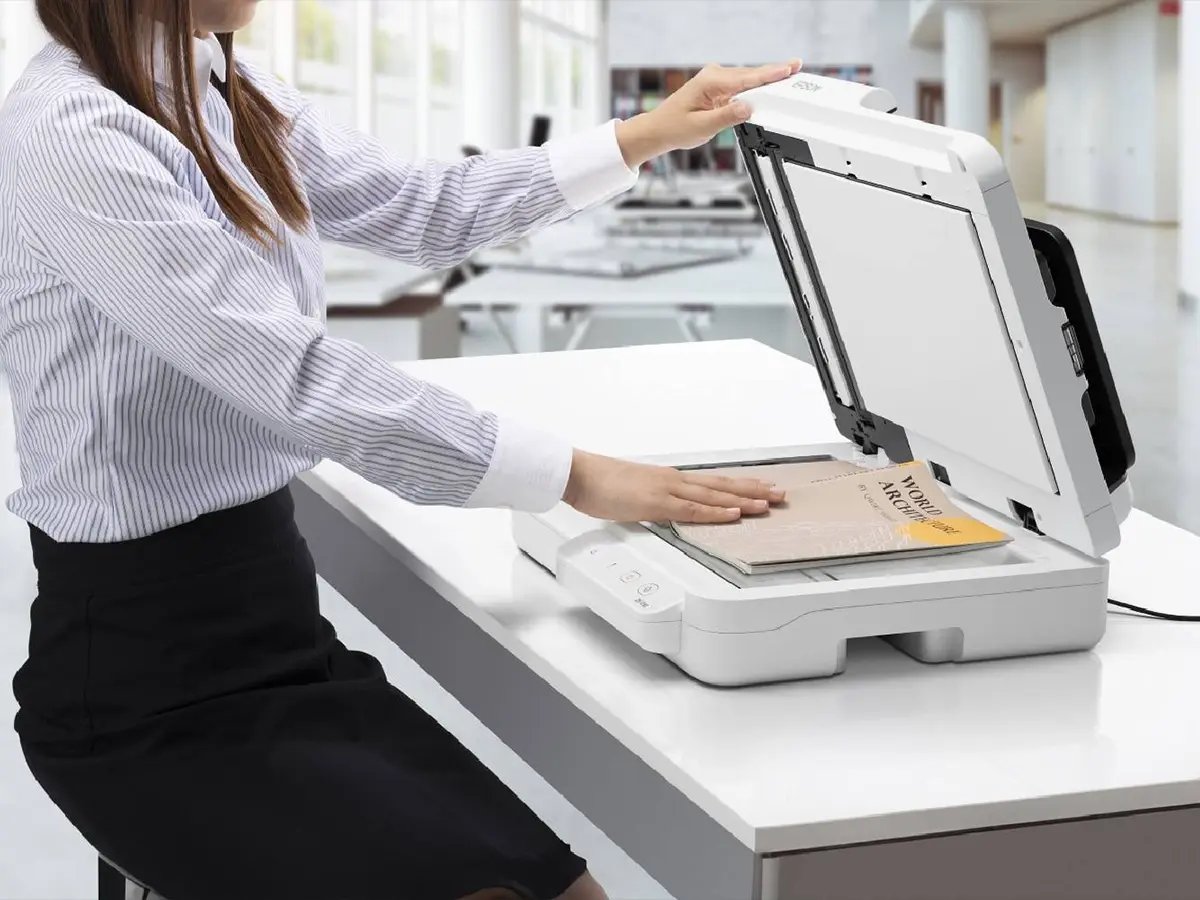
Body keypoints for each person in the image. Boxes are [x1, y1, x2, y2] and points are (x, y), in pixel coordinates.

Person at [0, 1, 800, 897]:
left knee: (564, 891)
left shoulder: (221, 83)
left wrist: (642, 136)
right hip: (140, 685)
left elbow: (416, 206)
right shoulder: (74, 131)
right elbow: (290, 375)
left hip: (277, 631)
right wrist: (576, 476)